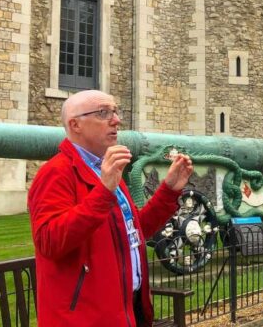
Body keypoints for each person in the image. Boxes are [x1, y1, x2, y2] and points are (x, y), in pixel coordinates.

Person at [28, 90, 194, 326]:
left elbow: (135, 232)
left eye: (115, 111)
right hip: (86, 319)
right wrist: (104, 191)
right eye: (103, 113)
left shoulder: (106, 170)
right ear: (75, 124)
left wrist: (168, 190)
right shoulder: (56, 173)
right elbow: (49, 241)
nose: (116, 120)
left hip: (127, 310)